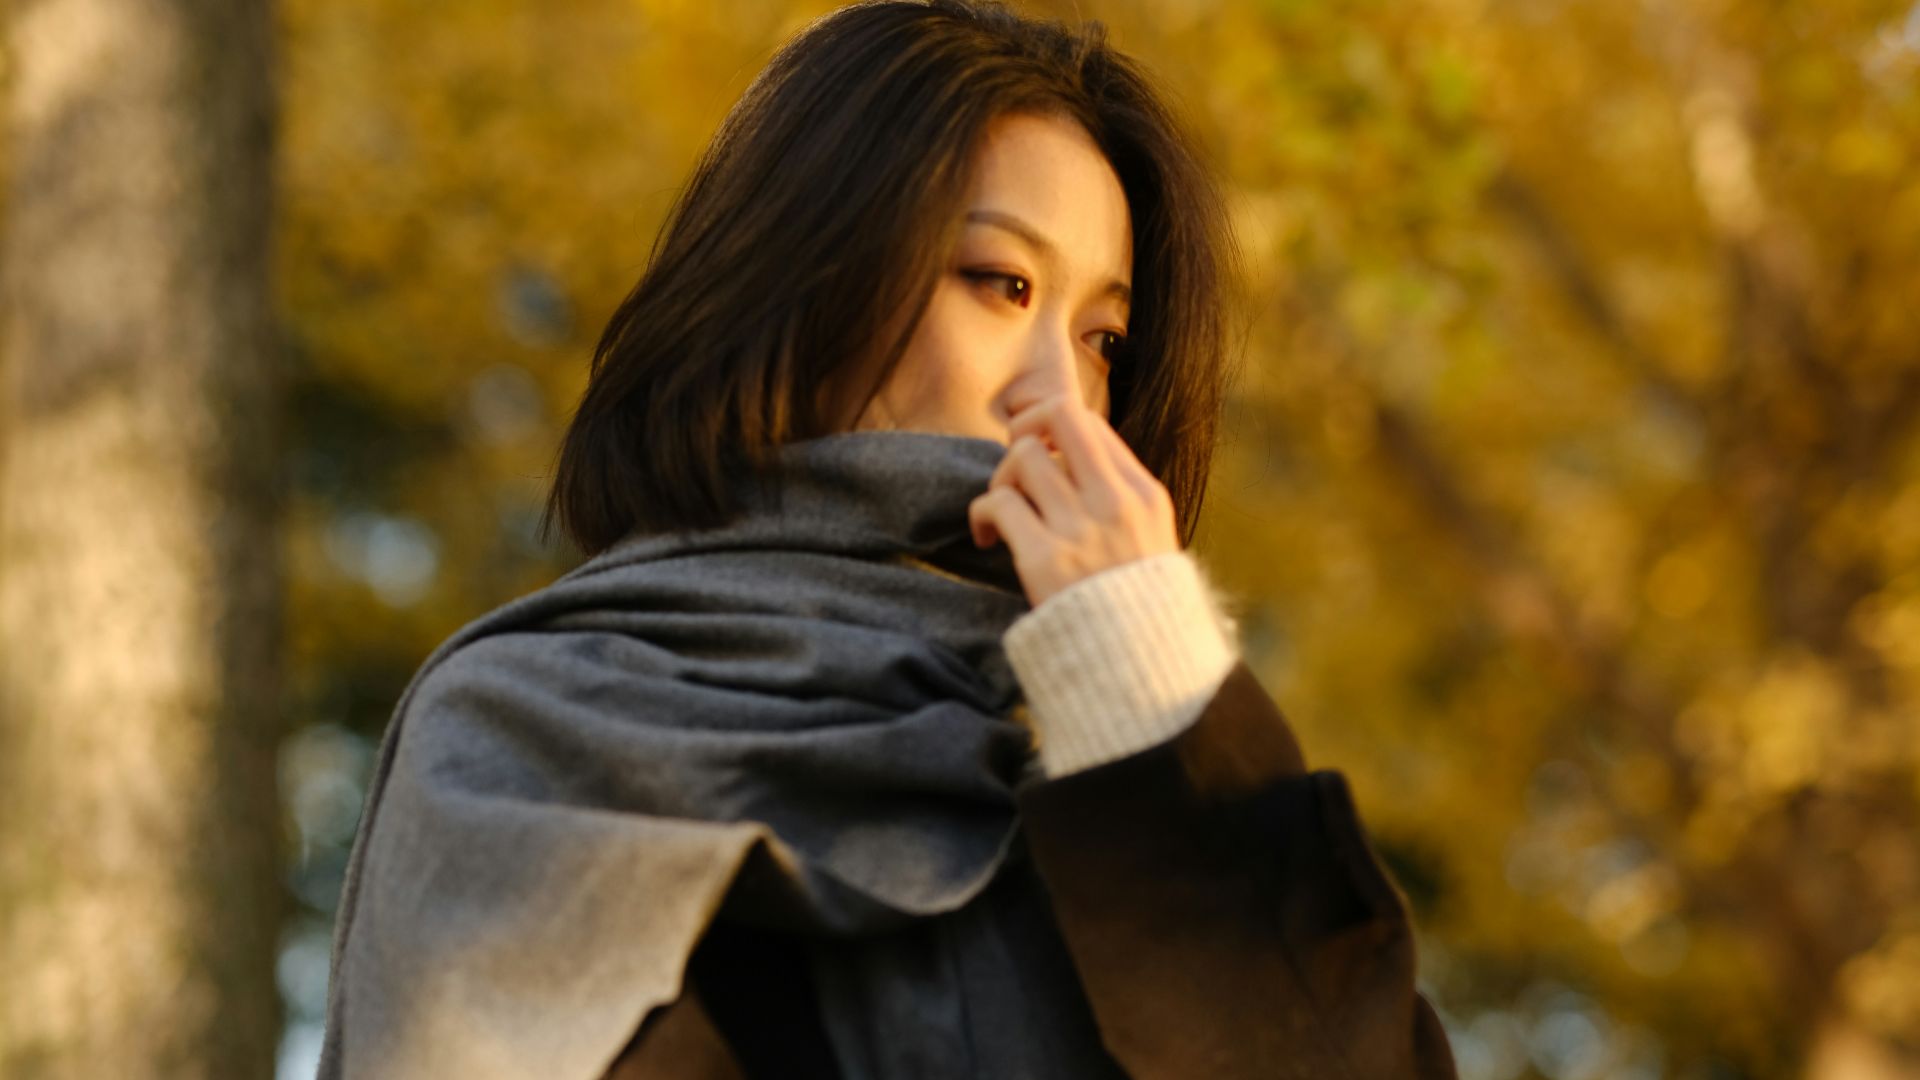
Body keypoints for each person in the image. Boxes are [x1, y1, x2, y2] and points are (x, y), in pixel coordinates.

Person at [316, 1, 1460, 1077]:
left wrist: (1162, 717)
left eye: (1105, 339)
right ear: (807, 275)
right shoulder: (530, 722)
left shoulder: (1120, 749)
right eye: (999, 283)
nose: (1059, 396)